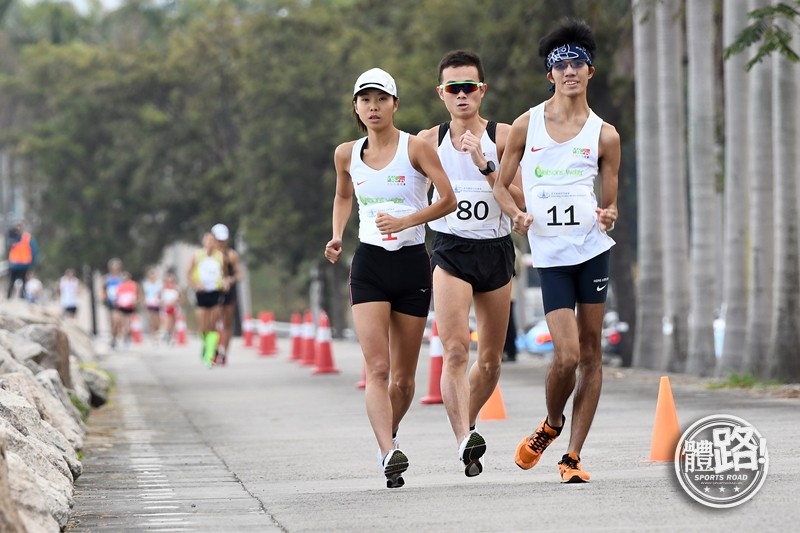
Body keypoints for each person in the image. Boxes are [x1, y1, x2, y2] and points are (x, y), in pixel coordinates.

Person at [493, 19, 619, 484]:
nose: (569, 71)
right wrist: (516, 215)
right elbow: (501, 186)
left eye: (577, 63)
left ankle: (572, 457)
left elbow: (610, 202)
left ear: (590, 71)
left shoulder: (605, 135)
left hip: (590, 252)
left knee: (592, 353)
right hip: (550, 257)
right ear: (550, 74)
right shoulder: (527, 125)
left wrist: (608, 215)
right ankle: (551, 423)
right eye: (560, 64)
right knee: (565, 356)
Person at [324, 67, 456, 488]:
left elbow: (448, 200)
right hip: (369, 267)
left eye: (381, 99)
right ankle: (387, 452)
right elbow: (344, 194)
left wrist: (405, 219)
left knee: (403, 378)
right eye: (365, 100)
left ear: (395, 104)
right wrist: (336, 236)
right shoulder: (346, 153)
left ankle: (390, 437)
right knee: (376, 368)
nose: (373, 107)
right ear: (356, 107)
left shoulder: (416, 148)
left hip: (412, 263)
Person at [418, 50, 526, 478]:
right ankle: (464, 437)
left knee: (492, 361)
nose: (461, 95)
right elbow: (410, 194)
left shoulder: (503, 135)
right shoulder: (427, 141)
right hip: (450, 249)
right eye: (453, 88)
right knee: (457, 350)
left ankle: (470, 422)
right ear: (441, 94)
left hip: (496, 250)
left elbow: (520, 200)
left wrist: (485, 164)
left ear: (482, 91)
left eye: (469, 87)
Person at [187, 232, 225, 368]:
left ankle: (210, 356)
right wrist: (196, 284)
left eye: (212, 241)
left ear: (215, 243)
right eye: (207, 240)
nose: (210, 243)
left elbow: (224, 274)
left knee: (213, 325)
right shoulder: (197, 256)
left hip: (215, 292)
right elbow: (189, 274)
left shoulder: (220, 256)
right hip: (202, 294)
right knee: (203, 327)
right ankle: (205, 344)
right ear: (204, 242)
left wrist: (226, 282)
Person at [212, 223, 242, 365]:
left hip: (228, 292)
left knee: (227, 323)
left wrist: (230, 279)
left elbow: (239, 274)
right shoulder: (207, 256)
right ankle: (215, 348)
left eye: (223, 240)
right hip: (212, 292)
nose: (221, 243)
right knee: (212, 321)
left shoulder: (231, 255)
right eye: (218, 240)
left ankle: (224, 353)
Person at [6, 220, 39, 299]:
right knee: (12, 281)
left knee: (24, 281)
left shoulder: (27, 237)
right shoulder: (13, 237)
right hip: (14, 263)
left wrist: (33, 261)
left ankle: (22, 296)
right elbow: (9, 245)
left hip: (24, 264)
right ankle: (9, 296)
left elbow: (34, 250)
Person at [102, 258, 124, 348]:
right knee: (113, 321)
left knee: (118, 321)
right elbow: (104, 289)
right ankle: (113, 338)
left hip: (120, 302)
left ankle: (115, 337)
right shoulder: (107, 278)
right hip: (111, 302)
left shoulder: (122, 278)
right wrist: (104, 298)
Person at [115, 271, 140, 346]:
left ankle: (127, 337)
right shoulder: (120, 285)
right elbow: (118, 295)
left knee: (128, 323)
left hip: (130, 306)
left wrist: (136, 301)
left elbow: (137, 294)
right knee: (123, 323)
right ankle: (125, 338)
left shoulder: (133, 284)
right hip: (122, 306)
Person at [159, 270, 182, 344]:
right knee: (167, 321)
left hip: (174, 307)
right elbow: (159, 298)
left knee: (173, 322)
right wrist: (163, 303)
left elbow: (180, 298)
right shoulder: (163, 288)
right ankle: (167, 333)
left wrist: (176, 302)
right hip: (166, 307)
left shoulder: (176, 288)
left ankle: (172, 337)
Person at [142, 268, 163, 343]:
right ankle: (153, 336)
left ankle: (156, 332)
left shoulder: (159, 284)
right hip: (150, 304)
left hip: (157, 304)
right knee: (152, 320)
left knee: (158, 321)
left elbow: (161, 294)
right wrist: (144, 301)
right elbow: (144, 294)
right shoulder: (146, 284)